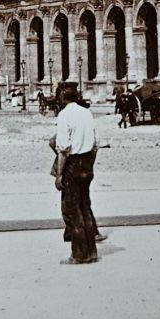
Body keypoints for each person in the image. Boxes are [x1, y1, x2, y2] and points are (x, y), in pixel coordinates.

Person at [51, 85, 103, 264]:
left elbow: (63, 149)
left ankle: (79, 254)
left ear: (63, 98)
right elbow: (95, 144)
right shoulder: (86, 113)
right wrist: (90, 166)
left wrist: (59, 175)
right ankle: (92, 252)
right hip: (87, 163)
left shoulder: (64, 115)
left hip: (73, 164)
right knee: (84, 206)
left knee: (71, 210)